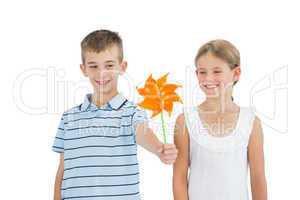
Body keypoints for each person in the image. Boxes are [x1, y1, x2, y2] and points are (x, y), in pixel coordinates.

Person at [52, 29, 178, 200]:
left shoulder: (132, 113)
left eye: (109, 65)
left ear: (122, 67)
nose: (101, 73)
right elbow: (62, 169)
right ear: (84, 69)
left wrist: (158, 148)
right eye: (93, 66)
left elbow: (142, 132)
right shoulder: (68, 118)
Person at [173, 39, 267, 200]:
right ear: (196, 74)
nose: (208, 79)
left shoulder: (250, 121)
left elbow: (257, 178)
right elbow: (179, 178)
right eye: (202, 72)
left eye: (217, 71)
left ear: (236, 73)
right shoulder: (185, 120)